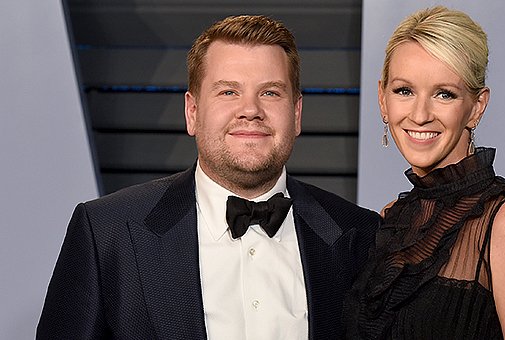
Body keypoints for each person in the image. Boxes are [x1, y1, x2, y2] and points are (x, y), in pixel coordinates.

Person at [37, 15, 380, 340]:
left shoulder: (361, 236)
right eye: (228, 91)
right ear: (192, 112)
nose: (251, 110)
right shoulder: (107, 232)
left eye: (270, 92)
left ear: (297, 113)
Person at [343, 6, 505, 339]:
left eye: (444, 94)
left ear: (476, 107)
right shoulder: (391, 218)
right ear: (382, 100)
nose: (420, 114)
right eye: (404, 91)